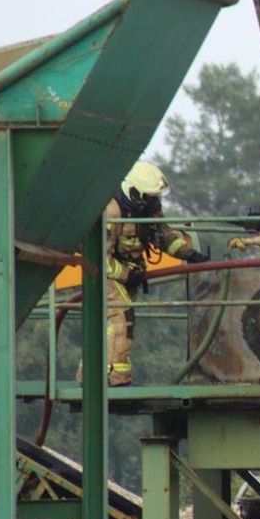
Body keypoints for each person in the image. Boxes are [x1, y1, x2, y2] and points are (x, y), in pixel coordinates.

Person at [93, 161, 209, 386]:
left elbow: (164, 236)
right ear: (133, 192)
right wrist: (128, 275)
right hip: (107, 275)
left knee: (109, 326)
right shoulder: (111, 211)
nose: (154, 202)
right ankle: (115, 378)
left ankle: (91, 374)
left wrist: (191, 254)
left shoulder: (147, 208)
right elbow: (100, 259)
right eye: (149, 196)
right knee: (120, 318)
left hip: (128, 274)